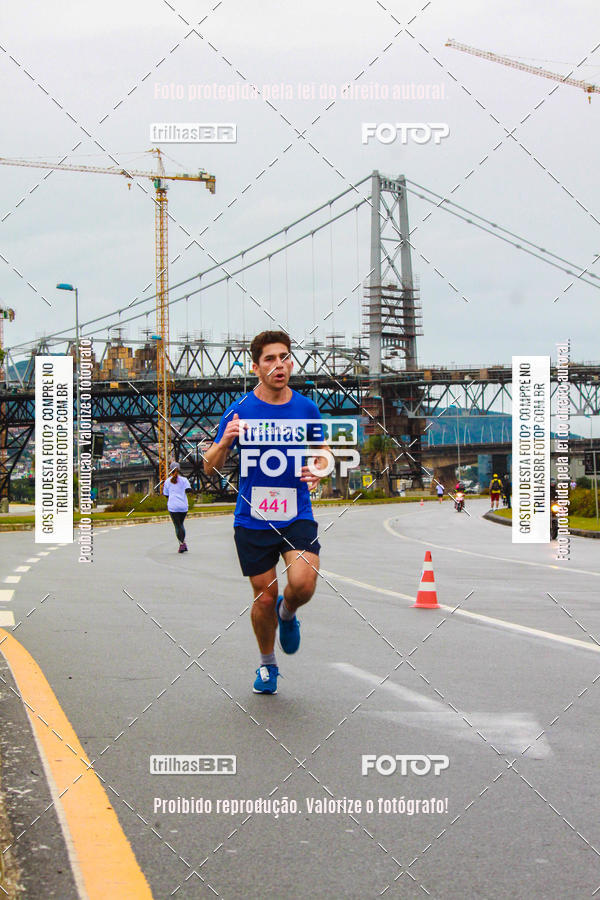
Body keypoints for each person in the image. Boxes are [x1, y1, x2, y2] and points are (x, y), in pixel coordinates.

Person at [203, 330, 328, 695]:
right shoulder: (240, 409)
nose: (279, 365)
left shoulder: (306, 408)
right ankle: (267, 665)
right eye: (270, 359)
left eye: (285, 357)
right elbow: (210, 466)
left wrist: (319, 469)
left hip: (296, 513)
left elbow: (322, 452)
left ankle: (288, 615)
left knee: (303, 583)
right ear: (255, 367)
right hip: (253, 517)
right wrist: (225, 441)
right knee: (264, 596)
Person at [163, 461, 191, 553]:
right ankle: (183, 543)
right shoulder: (184, 480)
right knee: (181, 524)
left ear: (170, 470)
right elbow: (188, 490)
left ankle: (182, 544)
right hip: (183, 506)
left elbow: (166, 495)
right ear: (179, 470)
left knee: (177, 526)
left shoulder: (167, 482)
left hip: (173, 506)